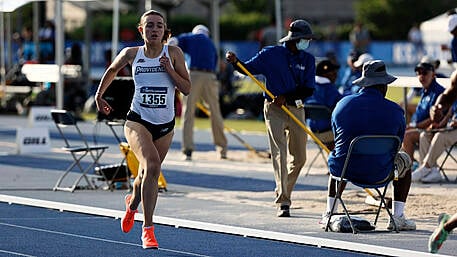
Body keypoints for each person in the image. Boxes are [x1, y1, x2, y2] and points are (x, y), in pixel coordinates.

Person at [95, 10, 191, 249]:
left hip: (165, 125)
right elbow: (112, 70)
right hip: (138, 120)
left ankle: (132, 204)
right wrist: (99, 96)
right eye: (149, 26)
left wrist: (169, 69)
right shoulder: (131, 53)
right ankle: (148, 229)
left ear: (165, 30)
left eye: (159, 26)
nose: (154, 29)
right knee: (152, 166)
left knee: (144, 175)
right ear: (142, 30)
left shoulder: (174, 53)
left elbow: (187, 88)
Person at [226, 19, 316, 217]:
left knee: (299, 158)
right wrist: (235, 62)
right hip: (273, 109)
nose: (307, 42)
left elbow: (308, 89)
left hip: (297, 108)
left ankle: (284, 189)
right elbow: (247, 69)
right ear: (295, 39)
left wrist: (287, 97)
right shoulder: (271, 54)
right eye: (305, 39)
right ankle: (283, 201)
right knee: (279, 154)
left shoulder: (308, 59)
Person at [320, 60, 416, 231]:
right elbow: (398, 145)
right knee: (406, 161)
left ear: (364, 83)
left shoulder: (342, 105)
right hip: (382, 171)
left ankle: (329, 212)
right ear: (383, 86)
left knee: (339, 156)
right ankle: (397, 216)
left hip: (347, 170)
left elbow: (337, 137)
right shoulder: (396, 111)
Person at [173, 24, 228, 160]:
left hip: (194, 75)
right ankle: (222, 149)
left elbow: (173, 42)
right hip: (210, 77)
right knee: (215, 112)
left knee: (188, 112)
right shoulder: (211, 44)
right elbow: (216, 64)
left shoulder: (190, 37)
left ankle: (188, 149)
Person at [404, 62, 445, 182]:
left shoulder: (438, 92)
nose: (421, 76)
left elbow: (435, 118)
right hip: (422, 127)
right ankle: (415, 166)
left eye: (425, 73)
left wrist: (413, 126)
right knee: (401, 129)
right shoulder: (425, 90)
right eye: (419, 73)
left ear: (433, 75)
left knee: (407, 135)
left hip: (434, 128)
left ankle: (409, 170)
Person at [305, 58, 343, 150]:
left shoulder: (307, 87)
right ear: (327, 74)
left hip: (311, 133)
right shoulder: (331, 90)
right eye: (334, 72)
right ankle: (336, 159)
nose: (336, 75)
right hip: (329, 134)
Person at [415, 103, 457, 183]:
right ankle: (432, 171)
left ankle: (425, 167)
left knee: (440, 137)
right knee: (425, 135)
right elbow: (448, 115)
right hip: (450, 128)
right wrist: (439, 126)